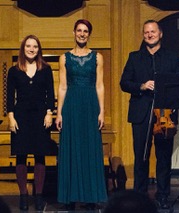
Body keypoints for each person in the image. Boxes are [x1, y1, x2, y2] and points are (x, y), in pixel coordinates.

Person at [120, 20, 179, 209]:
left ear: (160, 34)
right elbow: (124, 83)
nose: (149, 35)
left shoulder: (171, 57)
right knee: (141, 156)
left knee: (163, 157)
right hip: (141, 113)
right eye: (146, 32)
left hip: (165, 113)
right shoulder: (134, 57)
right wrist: (141, 86)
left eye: (153, 31)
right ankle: (140, 197)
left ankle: (163, 195)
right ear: (143, 35)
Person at [55, 19, 107, 210]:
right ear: (74, 32)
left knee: (90, 149)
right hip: (72, 104)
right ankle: (70, 197)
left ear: (89, 34)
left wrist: (102, 110)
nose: (82, 34)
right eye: (79, 30)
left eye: (85, 31)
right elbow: (62, 86)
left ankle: (91, 197)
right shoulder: (64, 58)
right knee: (70, 149)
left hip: (90, 104)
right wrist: (59, 113)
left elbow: (100, 85)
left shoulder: (97, 57)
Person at [7, 34, 55, 211]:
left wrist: (50, 113)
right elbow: (9, 97)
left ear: (38, 49)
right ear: (23, 48)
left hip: (41, 116)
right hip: (20, 117)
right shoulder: (14, 70)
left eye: (35, 46)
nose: (31, 49)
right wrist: (11, 117)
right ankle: (23, 196)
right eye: (28, 46)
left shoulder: (46, 69)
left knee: (40, 155)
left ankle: (39, 197)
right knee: (21, 155)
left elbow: (50, 93)